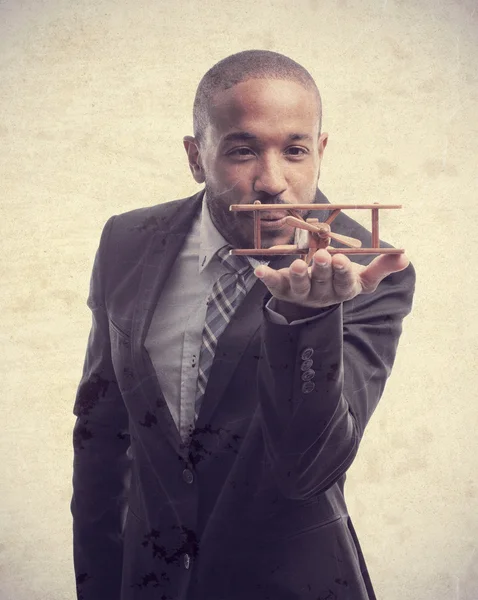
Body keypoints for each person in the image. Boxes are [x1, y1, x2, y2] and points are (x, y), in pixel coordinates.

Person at [71, 49, 415, 600]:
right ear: (195, 156)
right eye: (242, 150)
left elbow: (310, 468)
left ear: (320, 152)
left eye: (296, 151)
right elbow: (100, 437)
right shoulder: (127, 241)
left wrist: (308, 320)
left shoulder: (367, 270)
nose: (273, 181)